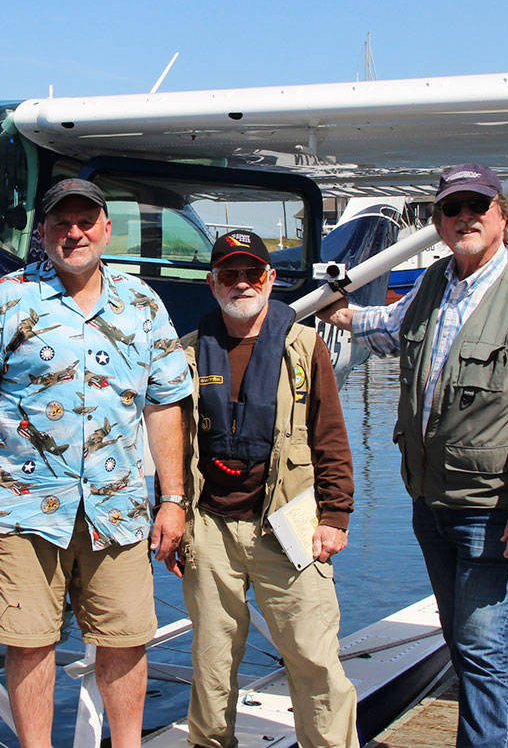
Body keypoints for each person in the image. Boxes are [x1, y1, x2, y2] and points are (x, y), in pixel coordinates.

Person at [318, 163, 508, 747]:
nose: (465, 218)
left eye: (477, 206)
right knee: (463, 640)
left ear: (501, 216)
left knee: (484, 648)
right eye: (451, 209)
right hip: (433, 502)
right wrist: (332, 312)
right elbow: (391, 327)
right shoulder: (436, 282)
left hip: (495, 508)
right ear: (437, 222)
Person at [0, 177, 193, 748]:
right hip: (21, 509)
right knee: (29, 643)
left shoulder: (142, 304)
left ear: (107, 229)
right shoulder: (4, 298)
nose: (74, 233)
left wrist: (173, 500)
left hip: (117, 507)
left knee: (125, 640)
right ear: (44, 232)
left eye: (85, 222)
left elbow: (165, 406)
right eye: (61, 223)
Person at [174, 229, 359, 748]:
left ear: (271, 278)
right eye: (229, 273)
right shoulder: (188, 352)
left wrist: (335, 516)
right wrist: (173, 517)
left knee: (314, 656)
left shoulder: (304, 346)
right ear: (212, 283)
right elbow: (174, 448)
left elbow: (329, 434)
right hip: (210, 525)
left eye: (252, 272)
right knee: (212, 663)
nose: (241, 283)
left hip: (289, 520)